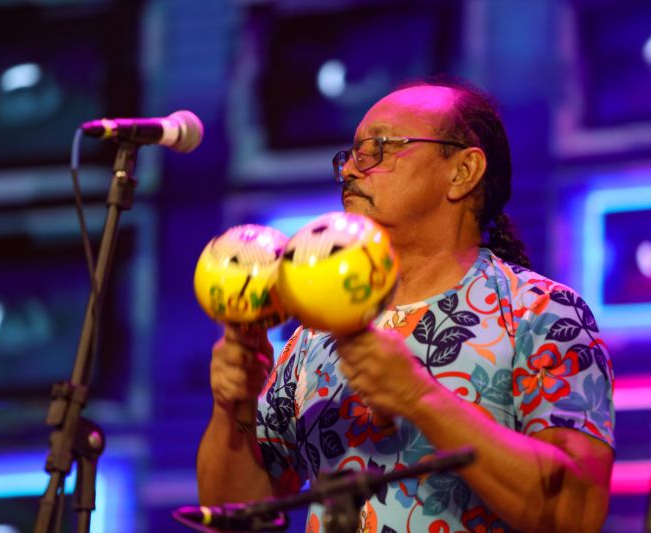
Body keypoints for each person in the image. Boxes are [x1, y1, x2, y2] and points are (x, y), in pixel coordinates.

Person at [197, 79, 615, 533]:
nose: (352, 171)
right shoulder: (312, 333)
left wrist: (419, 397)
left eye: (379, 148)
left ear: (462, 172)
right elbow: (236, 515)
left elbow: (576, 513)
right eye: (352, 155)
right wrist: (233, 408)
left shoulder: (541, 313)